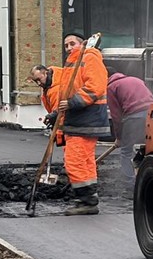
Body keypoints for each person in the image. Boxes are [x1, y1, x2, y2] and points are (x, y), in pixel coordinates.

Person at [46, 33, 110, 215]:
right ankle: (88, 199)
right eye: (65, 45)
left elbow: (95, 86)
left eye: (72, 43)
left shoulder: (89, 58)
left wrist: (73, 103)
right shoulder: (72, 63)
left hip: (86, 118)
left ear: (82, 43)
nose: (68, 47)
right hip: (79, 118)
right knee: (85, 161)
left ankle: (87, 202)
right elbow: (67, 93)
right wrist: (57, 113)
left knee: (75, 161)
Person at [105, 66, 153, 184]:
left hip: (134, 115)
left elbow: (116, 116)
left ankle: (130, 183)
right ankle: (148, 176)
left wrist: (119, 138)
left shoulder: (111, 87)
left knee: (125, 151)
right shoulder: (136, 79)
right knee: (150, 146)